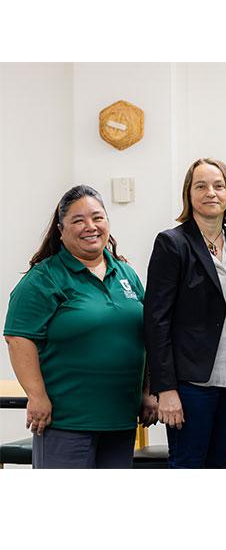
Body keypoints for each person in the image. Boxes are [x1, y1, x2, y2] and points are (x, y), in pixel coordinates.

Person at [3, 185, 157, 468]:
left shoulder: (125, 273)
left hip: (121, 419)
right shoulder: (44, 278)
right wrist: (36, 396)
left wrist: (147, 392)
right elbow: (18, 338)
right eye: (78, 220)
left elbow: (146, 336)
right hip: (66, 421)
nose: (90, 226)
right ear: (61, 230)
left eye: (97, 218)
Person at [145, 158, 226, 468]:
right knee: (188, 465)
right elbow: (156, 321)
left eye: (218, 186)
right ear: (189, 194)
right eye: (200, 186)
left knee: (223, 465)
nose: (210, 192)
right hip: (191, 385)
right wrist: (165, 389)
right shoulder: (172, 244)